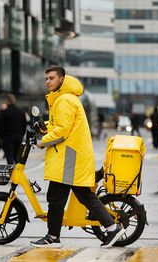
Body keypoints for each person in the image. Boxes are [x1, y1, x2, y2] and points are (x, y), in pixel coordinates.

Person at [32, 65, 125, 248]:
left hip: (69, 157)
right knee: (83, 195)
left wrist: (42, 141)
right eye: (46, 79)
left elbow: (62, 131)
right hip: (71, 156)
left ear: (62, 79)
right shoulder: (64, 99)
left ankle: (53, 237)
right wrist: (44, 127)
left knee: (56, 197)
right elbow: (58, 125)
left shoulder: (64, 100)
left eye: (51, 78)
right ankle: (112, 228)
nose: (48, 81)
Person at [0, 94, 26, 165]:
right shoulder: (21, 112)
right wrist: (22, 134)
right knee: (17, 156)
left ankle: (10, 171)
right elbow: (24, 124)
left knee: (9, 155)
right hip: (18, 136)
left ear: (7, 101)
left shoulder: (4, 113)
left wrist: (0, 136)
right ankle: (17, 172)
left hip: (7, 137)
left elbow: (0, 126)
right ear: (14, 100)